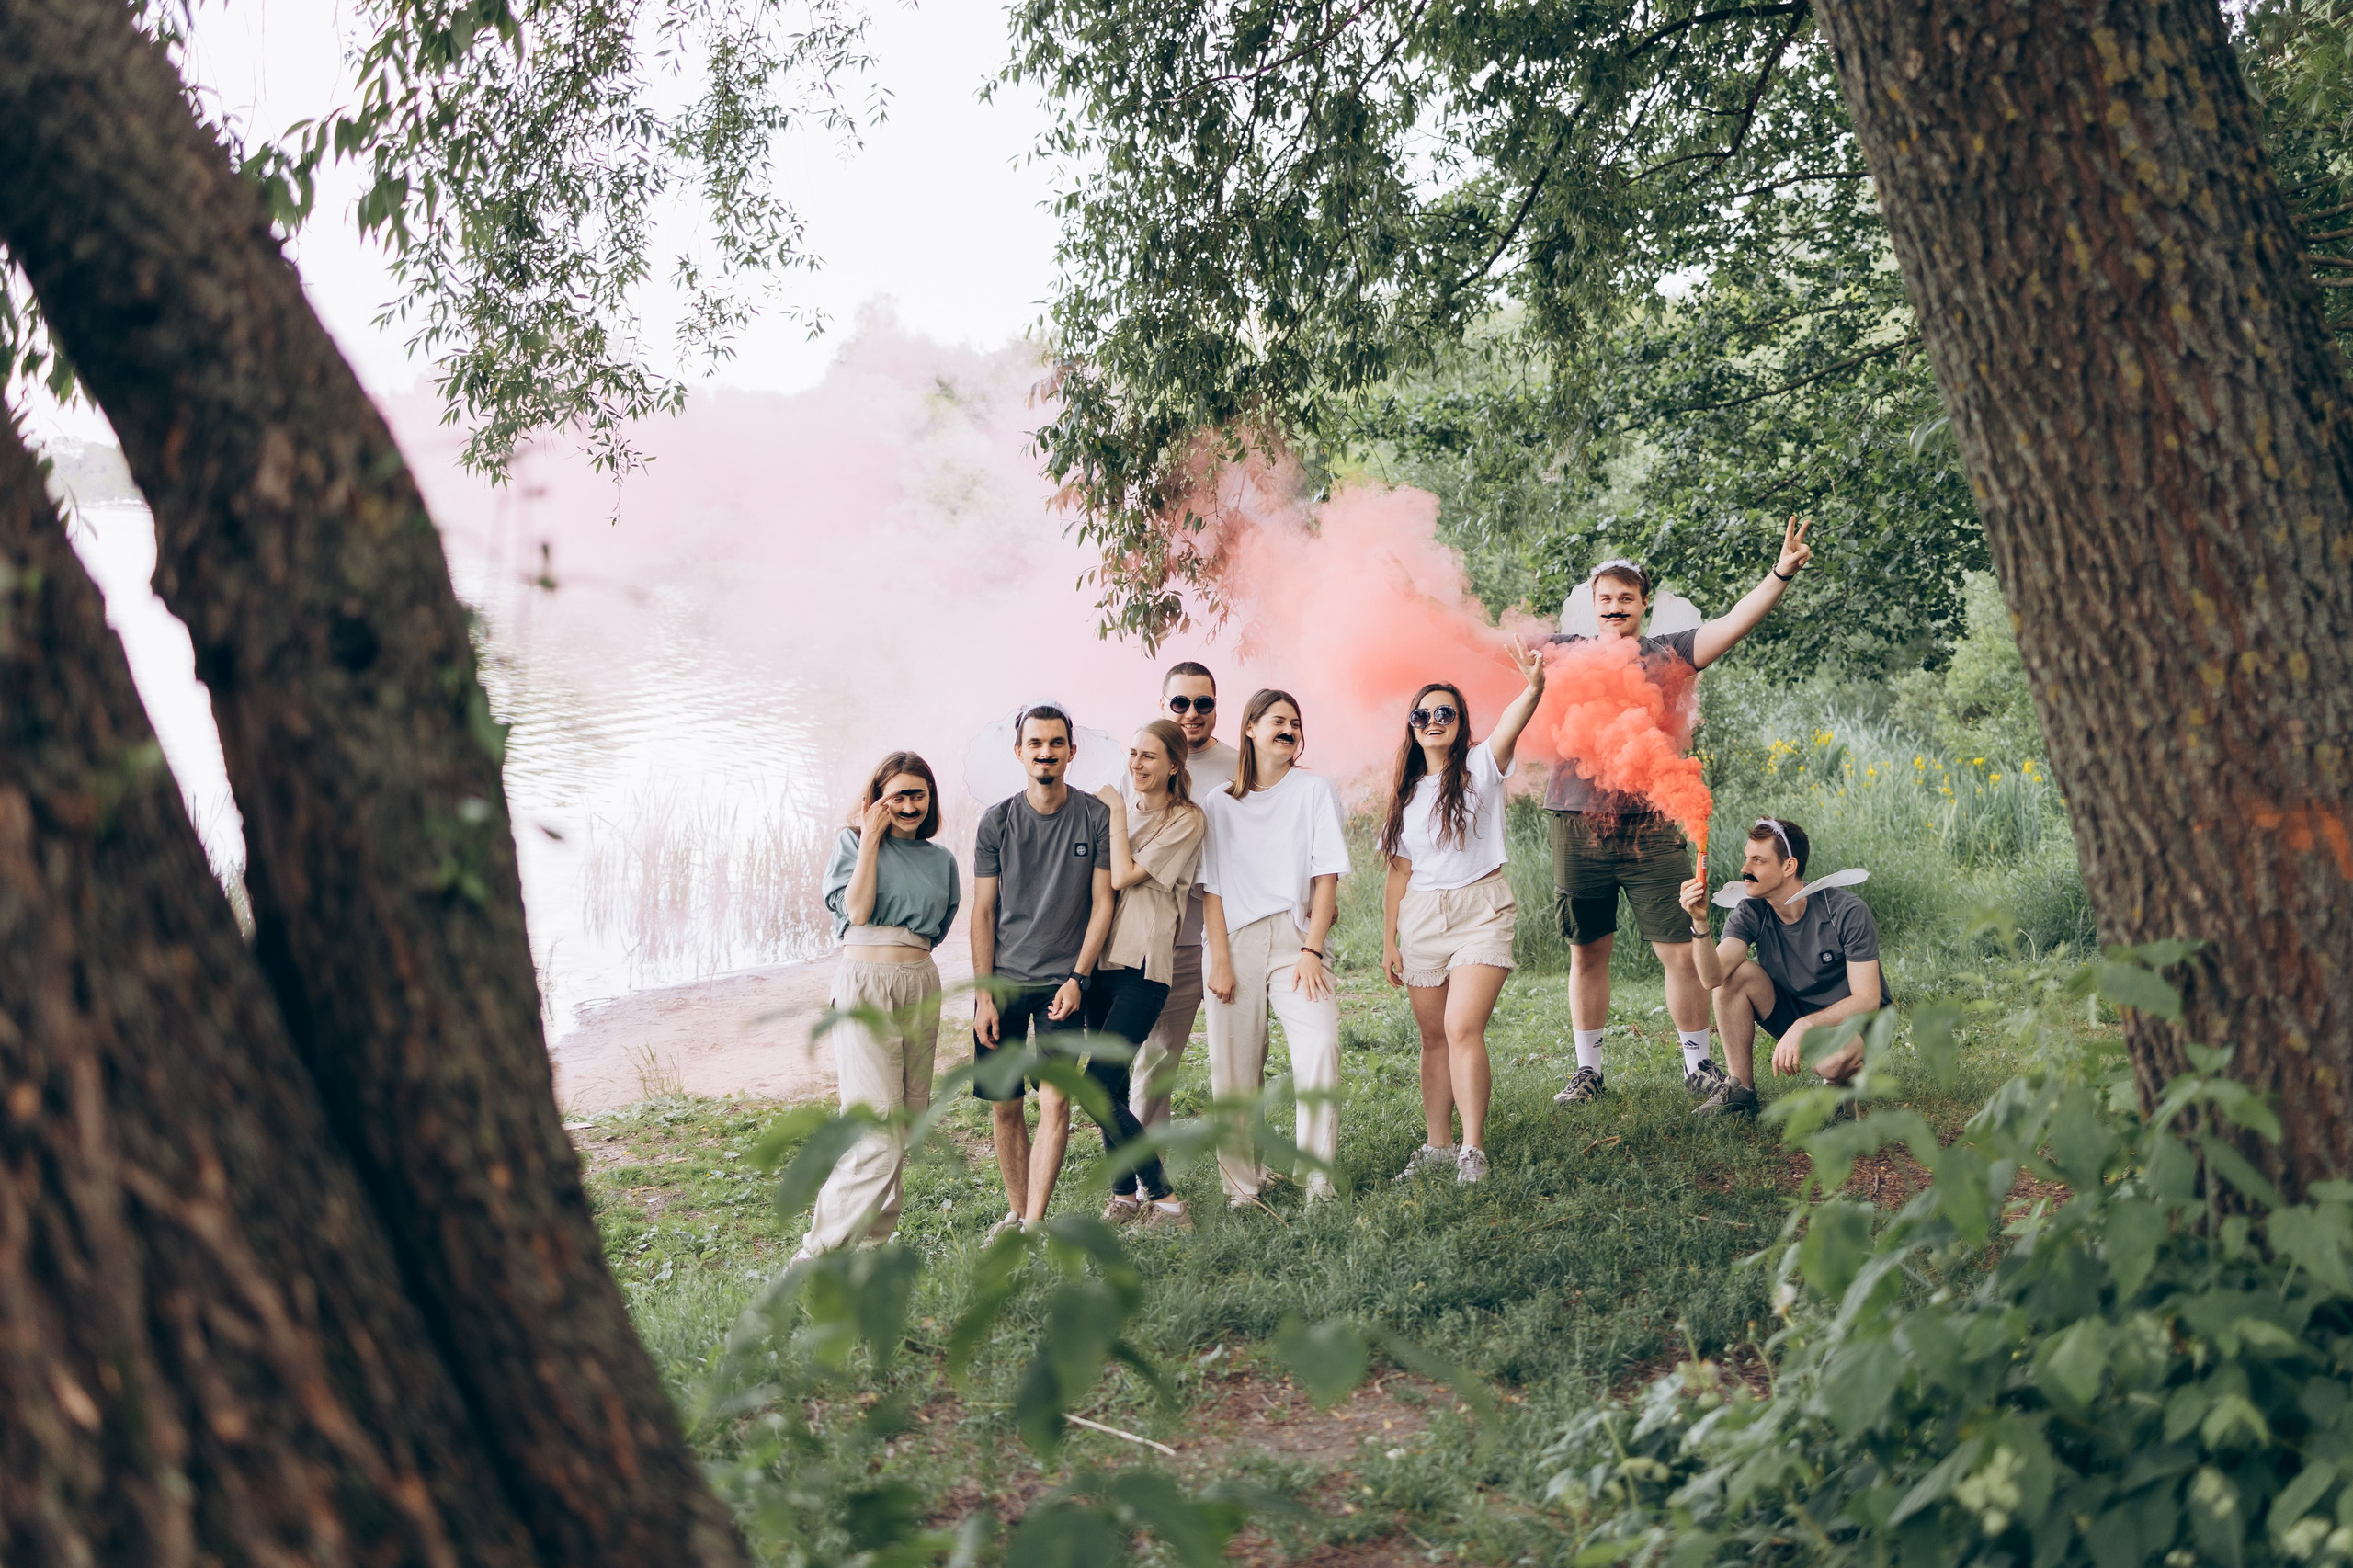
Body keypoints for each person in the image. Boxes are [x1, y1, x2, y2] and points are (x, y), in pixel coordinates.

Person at [1547, 517, 1814, 1108]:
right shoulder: (1563, 652)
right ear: (1592, 604)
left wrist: (1779, 574)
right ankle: (1588, 1071)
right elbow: (1487, 642)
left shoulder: (1668, 653)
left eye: (1626, 597)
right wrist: (1416, 600)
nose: (1615, 607)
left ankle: (1698, 1065)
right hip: (1575, 820)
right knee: (1587, 951)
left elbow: (1732, 623)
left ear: (1643, 604)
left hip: (1652, 825)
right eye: (1605, 598)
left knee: (1679, 950)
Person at [1380, 642, 1546, 1185]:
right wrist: (1389, 940)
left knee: (1461, 1027)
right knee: (1433, 1038)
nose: (1433, 720)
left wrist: (1533, 688)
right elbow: (1399, 873)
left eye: (1444, 712)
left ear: (1460, 721)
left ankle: (1472, 1149)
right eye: (1422, 715)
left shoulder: (1481, 765)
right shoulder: (1406, 793)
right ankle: (1437, 1146)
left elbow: (1512, 723)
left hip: (1481, 909)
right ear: (1412, 727)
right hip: (1421, 917)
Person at [797, 753, 959, 1261]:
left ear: (931, 799)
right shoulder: (852, 842)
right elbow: (858, 911)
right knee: (876, 1127)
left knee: (904, 1124)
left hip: (920, 985)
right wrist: (870, 837)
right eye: (898, 796)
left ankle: (869, 1247)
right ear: (877, 800)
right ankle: (816, 1256)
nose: (909, 806)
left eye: (918, 795)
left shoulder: (942, 861)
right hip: (866, 985)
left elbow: (936, 930)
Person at [1200, 689, 1351, 1208]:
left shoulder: (1314, 790)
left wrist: (1313, 950)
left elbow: (1326, 876)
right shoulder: (1219, 802)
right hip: (1234, 944)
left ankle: (1318, 1182)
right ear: (1250, 728)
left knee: (1321, 1046)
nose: (1288, 730)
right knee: (1234, 1068)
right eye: (1277, 721)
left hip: (1297, 943)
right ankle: (1242, 1187)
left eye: (1295, 723)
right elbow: (1212, 889)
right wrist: (1220, 960)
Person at [971, 704, 1115, 1239]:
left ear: (1071, 751)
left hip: (1063, 984)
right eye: (1035, 743)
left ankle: (1033, 1225)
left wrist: (1079, 977)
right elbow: (983, 912)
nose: (1046, 752)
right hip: (1004, 982)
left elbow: (1102, 903)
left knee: (1054, 1098)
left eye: (1056, 743)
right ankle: (1018, 1211)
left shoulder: (1094, 816)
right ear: (1019, 752)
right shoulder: (996, 822)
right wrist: (984, 996)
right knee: (1005, 1104)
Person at [1678, 817, 1887, 1117]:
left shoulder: (1845, 911)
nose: (1745, 869)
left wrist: (1804, 1026)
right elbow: (1713, 978)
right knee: (1734, 977)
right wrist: (1699, 922)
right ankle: (1741, 1089)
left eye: (1758, 861)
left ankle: (1841, 1086)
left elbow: (1867, 1000)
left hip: (1852, 1021)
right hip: (1796, 1008)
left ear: (1789, 866)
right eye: (1746, 858)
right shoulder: (1752, 909)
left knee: (1833, 1061)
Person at [1089, 719, 1208, 1229]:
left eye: (1149, 756)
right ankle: (1124, 1196)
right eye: (1133, 753)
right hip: (1099, 963)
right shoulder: (1114, 814)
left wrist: (1115, 812)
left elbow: (1124, 875)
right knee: (1111, 1087)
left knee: (1097, 1084)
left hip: (1144, 966)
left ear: (1174, 765)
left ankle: (1167, 1200)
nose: (1136, 764)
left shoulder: (1186, 819)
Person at [1125, 661, 1242, 1133]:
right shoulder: (1139, 764)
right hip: (1159, 941)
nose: (1191, 713)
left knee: (1239, 1056)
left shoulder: (1241, 766)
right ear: (1163, 704)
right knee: (1155, 1061)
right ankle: (1143, 1168)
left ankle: (1243, 1165)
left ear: (1216, 706)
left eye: (1203, 702)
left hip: (1227, 936)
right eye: (1180, 702)